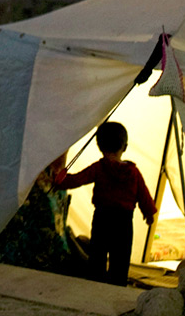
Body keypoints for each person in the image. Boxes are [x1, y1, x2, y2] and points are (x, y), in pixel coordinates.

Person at [54, 122, 158, 285]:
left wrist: (60, 179)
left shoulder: (99, 168)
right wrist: (149, 214)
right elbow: (143, 195)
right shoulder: (133, 172)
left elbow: (77, 180)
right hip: (124, 222)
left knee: (98, 254)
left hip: (102, 218)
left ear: (99, 146)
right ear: (125, 147)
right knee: (121, 257)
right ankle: (117, 285)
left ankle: (96, 283)